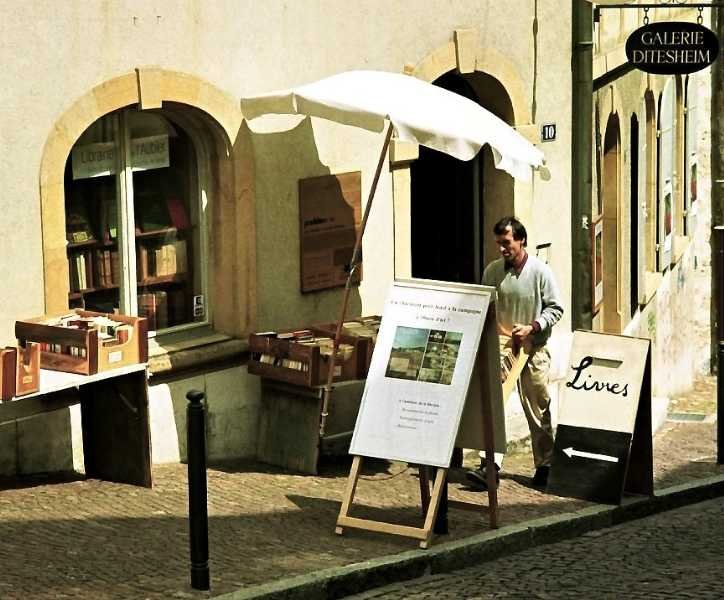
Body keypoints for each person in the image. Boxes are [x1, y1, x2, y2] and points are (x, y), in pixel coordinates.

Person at [466, 216, 563, 489]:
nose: (502, 249)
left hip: (534, 350)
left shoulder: (541, 272)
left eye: (506, 243)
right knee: (493, 407)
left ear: (521, 241)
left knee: (537, 408)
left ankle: (545, 465)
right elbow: (486, 304)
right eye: (498, 243)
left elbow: (556, 309)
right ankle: (490, 466)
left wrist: (533, 327)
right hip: (503, 350)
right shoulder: (493, 272)